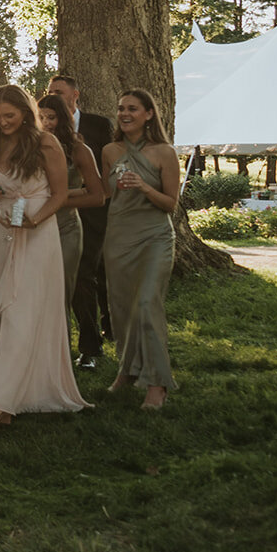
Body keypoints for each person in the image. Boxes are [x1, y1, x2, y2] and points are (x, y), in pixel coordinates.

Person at [0, 84, 88, 425]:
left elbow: (60, 193)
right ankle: (21, 388)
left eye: (10, 115)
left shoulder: (45, 143)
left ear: (25, 112)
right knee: (6, 311)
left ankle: (1, 401)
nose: (4, 121)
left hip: (38, 229)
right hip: (5, 227)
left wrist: (36, 218)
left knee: (24, 307)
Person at [101, 89, 179, 410]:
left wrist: (145, 186)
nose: (124, 113)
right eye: (120, 108)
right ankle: (127, 371)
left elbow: (170, 204)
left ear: (149, 114)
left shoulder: (164, 153)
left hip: (154, 238)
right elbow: (104, 193)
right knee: (121, 311)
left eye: (132, 108)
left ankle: (157, 383)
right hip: (118, 236)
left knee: (147, 304)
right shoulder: (109, 150)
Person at [47, 75, 113, 369]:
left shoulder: (98, 126)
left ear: (76, 94)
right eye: (50, 92)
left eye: (60, 92)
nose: (55, 96)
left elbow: (106, 172)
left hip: (91, 214)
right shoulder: (40, 134)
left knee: (85, 277)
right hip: (50, 218)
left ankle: (90, 347)